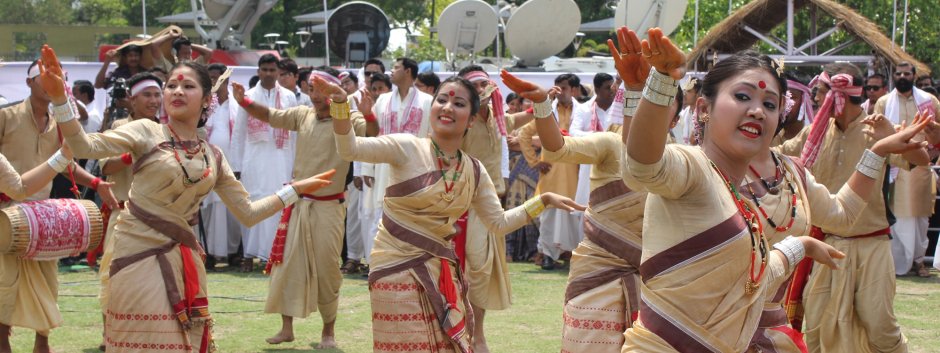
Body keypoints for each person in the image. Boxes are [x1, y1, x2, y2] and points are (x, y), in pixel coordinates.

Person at [617, 27, 925, 352]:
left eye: (769, 103)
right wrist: (659, 81)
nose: (757, 110)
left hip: (765, 337)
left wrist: (876, 153)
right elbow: (642, 166)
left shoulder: (787, 174)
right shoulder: (694, 168)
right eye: (742, 96)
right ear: (704, 108)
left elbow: (758, 275)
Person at [39, 45, 333, 352]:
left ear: (207, 100)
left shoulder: (213, 157)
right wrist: (60, 98)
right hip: (136, 255)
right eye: (172, 86)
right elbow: (83, 145)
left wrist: (295, 190)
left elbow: (247, 212)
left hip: (183, 261)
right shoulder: (145, 131)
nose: (177, 91)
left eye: (188, 86)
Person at [327, 72, 583, 353]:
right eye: (442, 100)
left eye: (459, 104)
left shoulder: (473, 170)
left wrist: (543, 200)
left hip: (441, 271)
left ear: (471, 119)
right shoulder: (406, 147)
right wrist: (340, 104)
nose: (448, 107)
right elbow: (349, 148)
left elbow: (498, 222)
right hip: (395, 268)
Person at [233, 66, 377, 349]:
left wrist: (370, 114)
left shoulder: (347, 115)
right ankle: (287, 329)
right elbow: (271, 117)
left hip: (329, 206)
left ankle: (328, 333)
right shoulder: (303, 114)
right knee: (287, 266)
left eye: (321, 89)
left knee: (327, 271)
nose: (314, 95)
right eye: (311, 89)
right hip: (297, 202)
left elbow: (370, 132)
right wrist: (244, 102)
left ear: (335, 92)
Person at [0, 57, 118, 353]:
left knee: (48, 282)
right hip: (5, 211)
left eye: (58, 77)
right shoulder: (6, 116)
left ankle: (43, 341)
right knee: (4, 283)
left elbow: (66, 164)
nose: (52, 81)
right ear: (29, 83)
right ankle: (3, 341)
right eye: (44, 76)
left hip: (43, 217)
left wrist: (96, 183)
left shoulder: (60, 124)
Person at [457, 65, 534, 353]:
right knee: (456, 271)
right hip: (457, 205)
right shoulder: (460, 119)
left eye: (485, 84)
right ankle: (455, 333)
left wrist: (542, 98)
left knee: (480, 270)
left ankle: (477, 335)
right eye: (475, 86)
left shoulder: (498, 119)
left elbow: (530, 116)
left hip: (488, 208)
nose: (483, 90)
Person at [358, 58, 432, 277]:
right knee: (379, 218)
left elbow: (431, 140)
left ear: (408, 71)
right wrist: (367, 168)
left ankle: (408, 268)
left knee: (410, 217)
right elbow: (372, 134)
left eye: (397, 67)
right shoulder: (382, 101)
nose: (392, 71)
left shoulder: (427, 101)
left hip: (415, 169)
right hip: (383, 168)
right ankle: (378, 266)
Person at [231, 53, 299, 271]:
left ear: (279, 71)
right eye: (265, 70)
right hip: (254, 159)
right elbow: (239, 132)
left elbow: (296, 133)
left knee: (280, 202)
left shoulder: (289, 97)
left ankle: (274, 254)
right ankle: (249, 256)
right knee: (254, 202)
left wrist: (297, 164)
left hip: (283, 158)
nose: (269, 74)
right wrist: (236, 166)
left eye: (272, 70)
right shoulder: (247, 96)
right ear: (258, 71)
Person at [873, 61, 940, 278]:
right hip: (894, 167)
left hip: (920, 166)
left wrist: (931, 153)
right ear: (894, 76)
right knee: (897, 217)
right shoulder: (883, 102)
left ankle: (919, 262)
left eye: (906, 73)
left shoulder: (928, 101)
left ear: (914, 76)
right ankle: (898, 263)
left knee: (920, 218)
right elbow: (875, 132)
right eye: (899, 73)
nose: (902, 76)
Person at [516, 73, 582, 270]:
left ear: (575, 90)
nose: (560, 91)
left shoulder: (584, 112)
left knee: (575, 214)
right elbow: (524, 134)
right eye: (557, 86)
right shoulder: (547, 112)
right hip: (552, 171)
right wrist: (535, 162)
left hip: (576, 171)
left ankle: (572, 254)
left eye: (565, 87)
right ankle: (547, 255)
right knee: (550, 216)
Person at [202, 63, 243, 265]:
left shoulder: (237, 105)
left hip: (232, 164)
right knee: (210, 207)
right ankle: (209, 251)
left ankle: (231, 251)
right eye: (209, 78)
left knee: (230, 207)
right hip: (207, 164)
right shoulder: (206, 105)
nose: (213, 82)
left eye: (216, 78)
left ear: (225, 81)